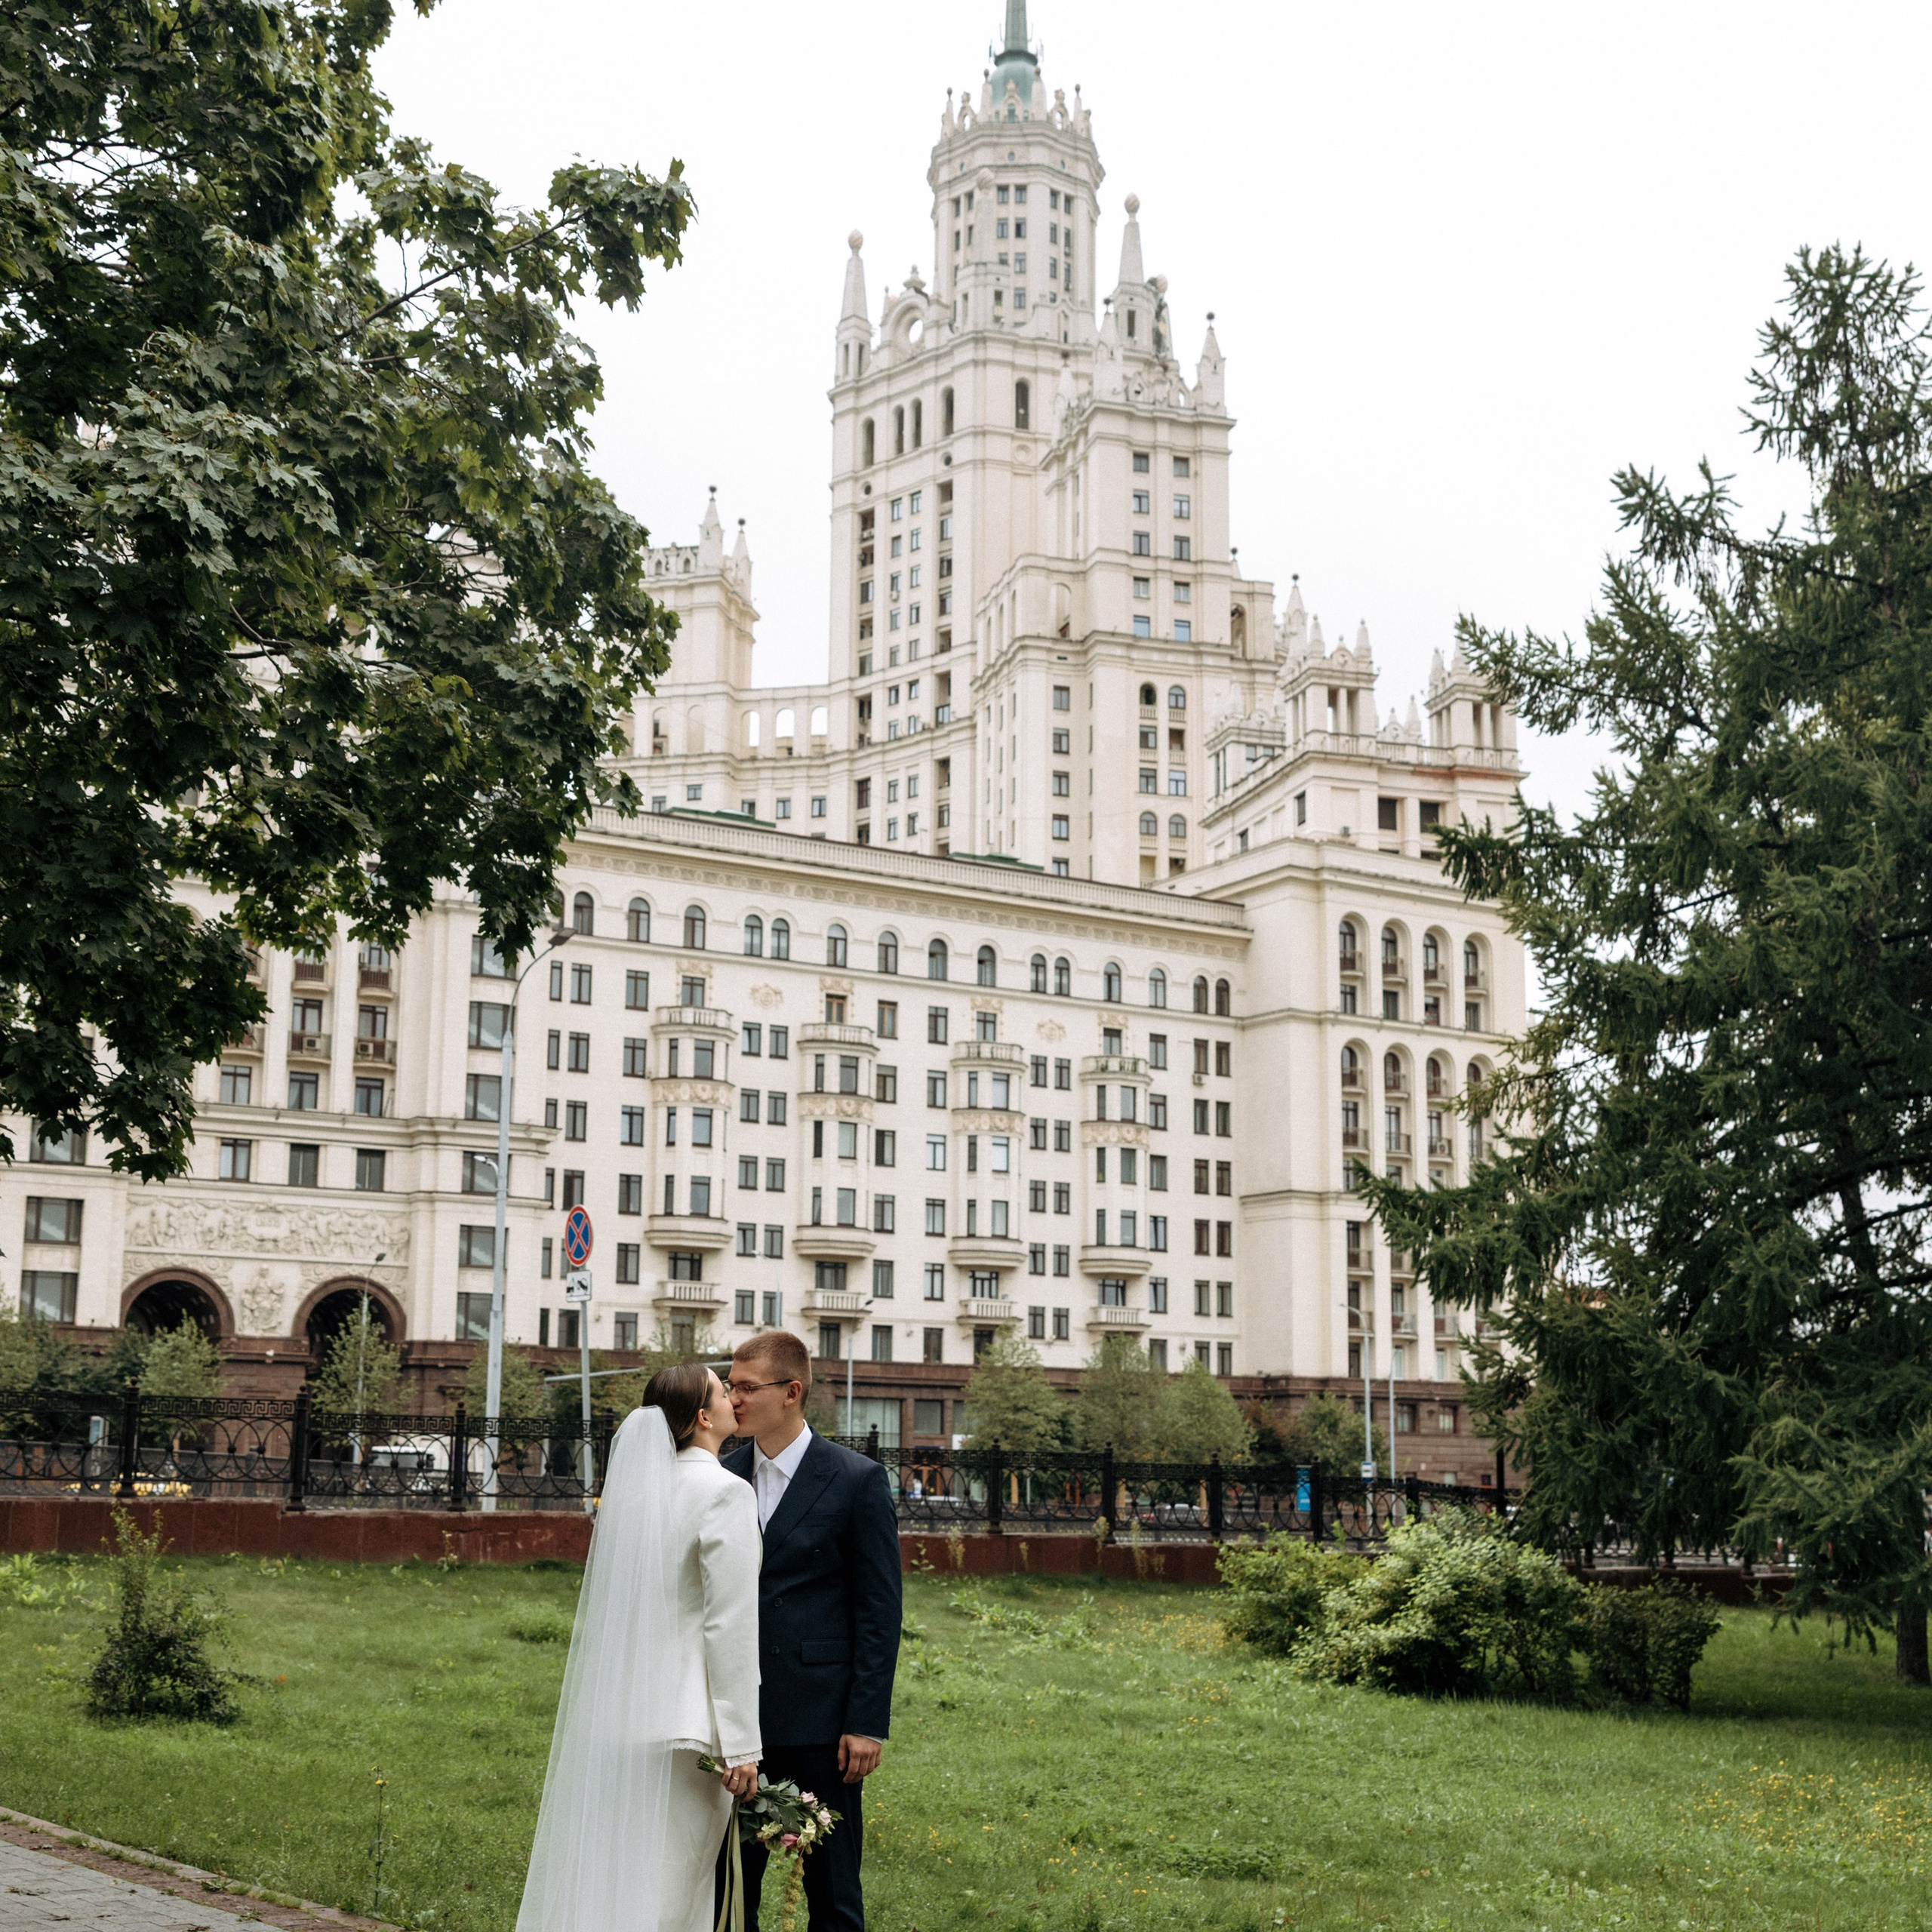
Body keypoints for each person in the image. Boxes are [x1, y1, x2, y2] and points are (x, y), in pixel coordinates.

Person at [518, 1364, 760, 1932]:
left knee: (622, 1877)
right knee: (676, 1892)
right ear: (703, 1417)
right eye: (724, 1391)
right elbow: (729, 1624)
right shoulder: (726, 1490)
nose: (733, 1398)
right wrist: (743, 1745)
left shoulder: (637, 1494)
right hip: (687, 1725)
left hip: (623, 1709)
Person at [721, 1331, 901, 1932]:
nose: (733, 1399)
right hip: (734, 1725)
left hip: (823, 1727)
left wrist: (866, 1721)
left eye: (746, 1387)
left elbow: (880, 1611)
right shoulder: (720, 1477)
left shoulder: (856, 1480)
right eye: (730, 1386)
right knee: (729, 1892)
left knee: (833, 1896)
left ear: (792, 1392)